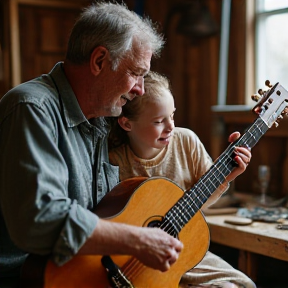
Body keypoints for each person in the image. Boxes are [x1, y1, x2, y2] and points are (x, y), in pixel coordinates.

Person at [0, 2, 185, 287]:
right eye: (136, 73)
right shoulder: (31, 107)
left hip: (84, 273)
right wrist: (138, 240)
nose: (140, 89)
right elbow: (40, 220)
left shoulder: (101, 117)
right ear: (99, 61)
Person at [108, 71, 256, 288]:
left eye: (172, 115)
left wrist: (228, 175)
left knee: (239, 285)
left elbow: (198, 204)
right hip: (133, 259)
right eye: (159, 121)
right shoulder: (115, 160)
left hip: (183, 251)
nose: (170, 127)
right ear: (127, 124)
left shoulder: (186, 141)